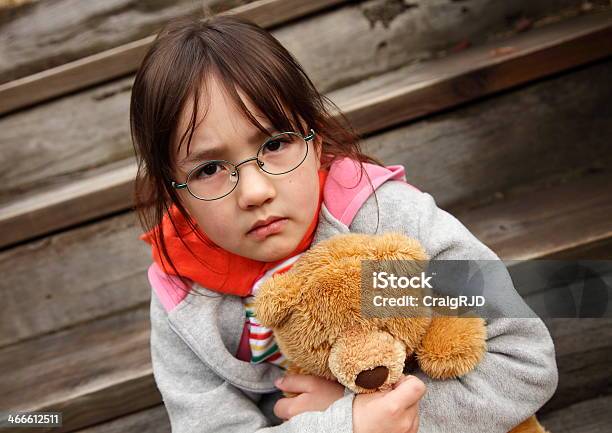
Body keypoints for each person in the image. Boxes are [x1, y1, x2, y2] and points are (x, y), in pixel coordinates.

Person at [129, 13, 558, 433]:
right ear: (173, 193)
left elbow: (522, 361)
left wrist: (384, 416)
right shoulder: (184, 295)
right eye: (208, 170)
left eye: (276, 143)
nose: (255, 191)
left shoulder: (384, 226)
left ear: (315, 142)